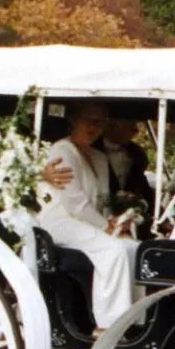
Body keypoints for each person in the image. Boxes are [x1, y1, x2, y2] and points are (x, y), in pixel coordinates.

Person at [35, 101, 140, 333]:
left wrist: (115, 222)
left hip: (88, 221)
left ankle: (136, 319)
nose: (95, 128)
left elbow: (102, 200)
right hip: (61, 221)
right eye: (90, 121)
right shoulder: (62, 151)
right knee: (113, 249)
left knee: (132, 246)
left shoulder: (99, 157)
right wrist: (105, 227)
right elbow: (74, 202)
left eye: (101, 123)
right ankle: (109, 326)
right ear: (74, 121)